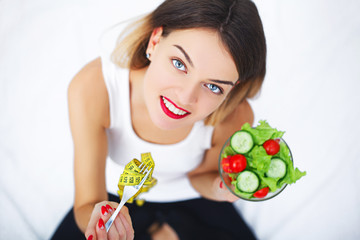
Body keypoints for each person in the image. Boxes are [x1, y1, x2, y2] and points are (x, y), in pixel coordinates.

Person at [51, 0, 266, 239]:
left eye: (213, 86)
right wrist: (99, 224)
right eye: (179, 64)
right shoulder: (94, 88)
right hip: (116, 198)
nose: (185, 97)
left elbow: (199, 177)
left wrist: (220, 188)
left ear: (231, 90)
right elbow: (87, 202)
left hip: (194, 203)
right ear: (155, 41)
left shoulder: (234, 114)